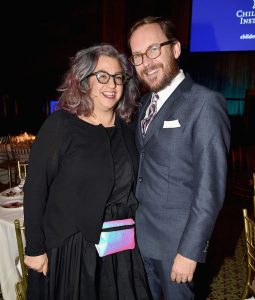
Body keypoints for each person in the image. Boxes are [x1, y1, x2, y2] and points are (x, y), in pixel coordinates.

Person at [23, 44, 152, 300]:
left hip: (120, 250)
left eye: (118, 77)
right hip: (73, 249)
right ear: (83, 81)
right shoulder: (61, 126)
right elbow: (35, 188)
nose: (112, 84)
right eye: (102, 76)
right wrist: (35, 248)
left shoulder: (128, 131)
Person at [128, 16, 231, 299]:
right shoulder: (145, 104)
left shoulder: (204, 104)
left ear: (175, 49)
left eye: (153, 49)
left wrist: (189, 251)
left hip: (177, 248)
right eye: (137, 56)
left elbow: (210, 189)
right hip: (143, 241)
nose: (146, 62)